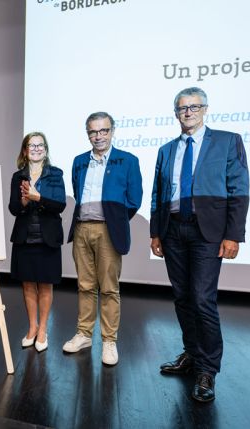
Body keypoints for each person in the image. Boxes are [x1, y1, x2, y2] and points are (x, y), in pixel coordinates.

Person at [150, 87, 249, 402]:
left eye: (194, 106)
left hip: (208, 232)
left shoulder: (227, 141)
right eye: (182, 108)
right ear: (176, 113)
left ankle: (207, 369)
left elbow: (239, 189)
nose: (188, 112)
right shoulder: (166, 150)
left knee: (202, 299)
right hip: (173, 230)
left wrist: (233, 234)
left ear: (205, 109)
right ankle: (191, 354)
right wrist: (156, 232)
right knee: (182, 297)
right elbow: (157, 194)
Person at [62, 112, 142, 366]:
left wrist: (114, 220)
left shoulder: (128, 160)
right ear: (88, 134)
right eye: (93, 132)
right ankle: (84, 334)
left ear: (112, 130)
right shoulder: (78, 161)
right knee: (85, 285)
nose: (98, 136)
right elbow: (78, 192)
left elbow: (134, 200)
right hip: (82, 229)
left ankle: (109, 340)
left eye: (103, 131)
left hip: (108, 230)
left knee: (108, 288)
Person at [9, 132, 66, 353]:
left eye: (40, 145)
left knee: (45, 285)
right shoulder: (18, 177)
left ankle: (43, 329)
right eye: (31, 145)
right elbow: (13, 208)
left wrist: (38, 198)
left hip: (47, 238)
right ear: (25, 150)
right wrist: (24, 201)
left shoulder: (55, 174)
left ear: (46, 149)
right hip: (25, 238)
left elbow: (60, 205)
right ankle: (31, 328)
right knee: (27, 285)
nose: (36, 148)